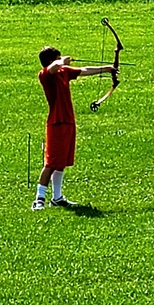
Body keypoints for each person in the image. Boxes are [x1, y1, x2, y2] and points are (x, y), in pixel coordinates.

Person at [33, 46, 115, 210]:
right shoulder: (45, 75)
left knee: (61, 161)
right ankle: (39, 199)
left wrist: (107, 68)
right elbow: (52, 68)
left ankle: (57, 197)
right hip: (56, 123)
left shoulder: (64, 72)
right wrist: (62, 61)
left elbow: (84, 70)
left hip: (68, 121)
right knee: (51, 162)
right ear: (51, 60)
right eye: (58, 57)